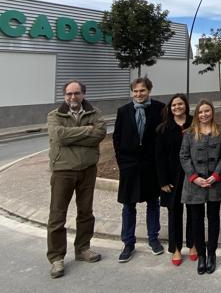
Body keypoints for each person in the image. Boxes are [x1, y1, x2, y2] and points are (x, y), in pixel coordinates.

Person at [46, 80, 106, 278]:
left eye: (77, 93)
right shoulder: (54, 115)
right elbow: (60, 136)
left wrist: (81, 134)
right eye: (69, 93)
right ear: (64, 95)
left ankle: (82, 249)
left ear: (83, 94)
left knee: (86, 212)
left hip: (87, 170)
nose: (73, 97)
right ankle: (56, 258)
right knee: (57, 216)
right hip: (63, 170)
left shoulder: (94, 113)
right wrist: (87, 130)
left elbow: (99, 134)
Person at [113, 77, 165, 263]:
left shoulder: (160, 109)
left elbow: (164, 135)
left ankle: (153, 238)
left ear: (149, 90)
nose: (139, 94)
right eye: (135, 91)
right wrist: (122, 162)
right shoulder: (123, 111)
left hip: (151, 166)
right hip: (130, 167)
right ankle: (128, 243)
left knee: (153, 203)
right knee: (129, 206)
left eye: (142, 90)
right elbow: (116, 138)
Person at [180, 100, 221, 275]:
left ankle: (212, 254)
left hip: (214, 183)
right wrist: (194, 178)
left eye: (207, 111)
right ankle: (201, 255)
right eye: (201, 112)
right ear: (197, 114)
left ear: (212, 112)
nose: (204, 114)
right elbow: (184, 156)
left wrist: (215, 175)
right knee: (196, 220)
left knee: (213, 219)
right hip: (194, 185)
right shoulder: (189, 133)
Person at [155, 94, 195, 266]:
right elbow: (159, 157)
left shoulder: (195, 123)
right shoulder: (163, 128)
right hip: (172, 177)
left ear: (185, 105)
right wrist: (162, 181)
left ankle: (193, 244)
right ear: (170, 108)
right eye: (174, 105)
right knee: (174, 213)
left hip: (193, 175)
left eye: (180, 104)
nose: (177, 107)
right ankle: (176, 248)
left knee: (194, 212)